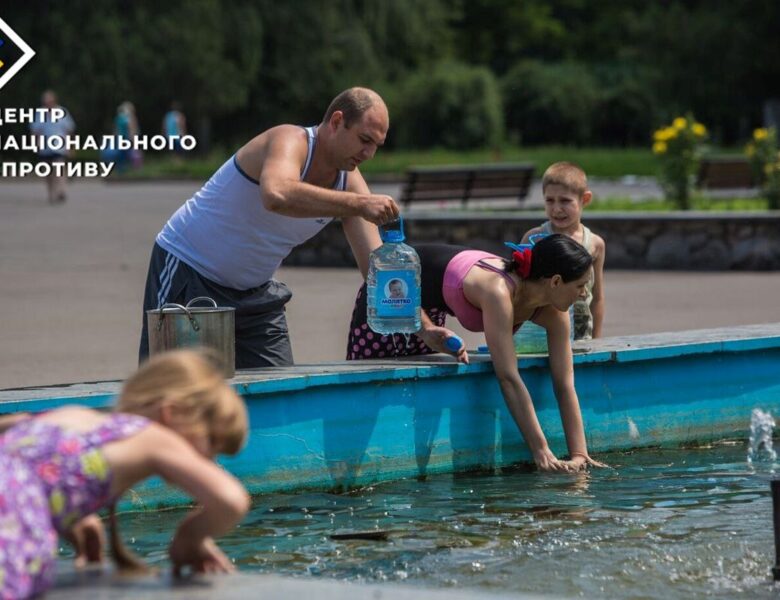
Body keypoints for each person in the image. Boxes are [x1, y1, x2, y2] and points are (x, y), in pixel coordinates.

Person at [139, 87, 399, 369]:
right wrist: (358, 204)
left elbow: (377, 272)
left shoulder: (349, 182)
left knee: (280, 397)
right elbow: (277, 195)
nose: (369, 153)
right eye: (364, 140)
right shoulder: (290, 139)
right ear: (337, 122)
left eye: (376, 145)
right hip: (190, 272)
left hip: (254, 296)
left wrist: (423, 327)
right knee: (171, 394)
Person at [0, 349, 251, 599]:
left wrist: (65, 509)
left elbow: (21, 449)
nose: (210, 462)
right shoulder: (155, 436)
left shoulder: (76, 415)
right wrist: (190, 540)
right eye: (211, 443)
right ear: (172, 413)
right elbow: (231, 500)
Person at [346, 234, 606, 473]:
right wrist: (541, 451)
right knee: (365, 398)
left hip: (432, 308)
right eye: (580, 286)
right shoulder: (498, 291)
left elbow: (564, 382)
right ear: (556, 281)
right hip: (394, 290)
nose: (584, 294)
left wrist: (579, 454)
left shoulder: (555, 312)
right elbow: (508, 376)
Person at [522, 162, 605, 339]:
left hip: (581, 335)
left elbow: (597, 298)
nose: (556, 209)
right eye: (549, 200)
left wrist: (598, 341)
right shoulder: (534, 238)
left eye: (565, 201)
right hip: (542, 333)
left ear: (585, 199)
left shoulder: (595, 244)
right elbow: (519, 290)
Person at [29, 90, 76, 204]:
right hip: (45, 147)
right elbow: (36, 130)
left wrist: (70, 147)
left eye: (49, 101)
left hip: (59, 146)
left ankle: (61, 190)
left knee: (59, 167)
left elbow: (69, 130)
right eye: (45, 102)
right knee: (48, 173)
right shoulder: (39, 113)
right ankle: (51, 193)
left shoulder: (62, 112)